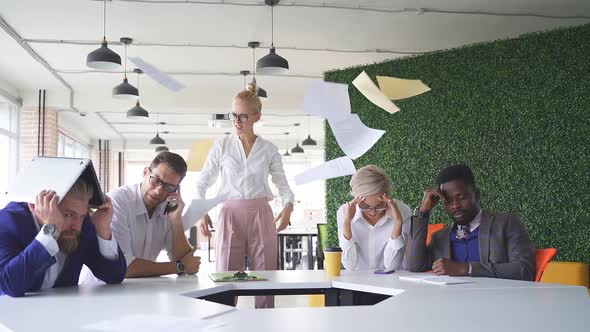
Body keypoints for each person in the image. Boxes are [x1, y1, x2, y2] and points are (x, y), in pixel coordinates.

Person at [196, 84, 294, 308]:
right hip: (230, 214)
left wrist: (288, 206)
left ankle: (265, 321)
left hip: (262, 214)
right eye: (233, 115)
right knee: (226, 278)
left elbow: (283, 185)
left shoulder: (269, 149)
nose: (236, 121)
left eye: (242, 116)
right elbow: (202, 182)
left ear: (256, 116)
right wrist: (201, 212)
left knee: (266, 277)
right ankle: (224, 322)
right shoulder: (221, 146)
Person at [406, 164, 536, 280]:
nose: (455, 205)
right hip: (451, 303)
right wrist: (422, 212)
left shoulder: (506, 223)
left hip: (495, 301)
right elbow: (414, 266)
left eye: (461, 198)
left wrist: (466, 268)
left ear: (476, 195)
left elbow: (524, 270)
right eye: (448, 201)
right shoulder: (441, 237)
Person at [0, 179, 126, 297]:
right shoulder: (7, 222)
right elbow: (9, 285)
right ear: (35, 206)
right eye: (68, 214)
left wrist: (103, 228)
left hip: (66, 315)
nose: (77, 225)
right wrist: (50, 231)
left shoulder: (82, 224)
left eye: (82, 216)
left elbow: (114, 276)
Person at [109, 152, 201, 278]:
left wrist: (176, 221)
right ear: (146, 172)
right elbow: (123, 266)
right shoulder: (118, 201)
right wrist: (179, 266)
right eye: (156, 180)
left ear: (176, 190)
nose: (158, 191)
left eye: (168, 187)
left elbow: (187, 262)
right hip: (102, 291)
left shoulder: (168, 208)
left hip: (140, 289)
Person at [337, 165, 412, 272]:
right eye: (365, 206)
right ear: (355, 198)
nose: (372, 212)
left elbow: (392, 266)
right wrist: (347, 222)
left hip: (392, 282)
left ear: (387, 196)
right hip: (358, 281)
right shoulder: (344, 212)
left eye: (380, 205)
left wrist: (397, 222)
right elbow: (350, 265)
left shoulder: (402, 211)